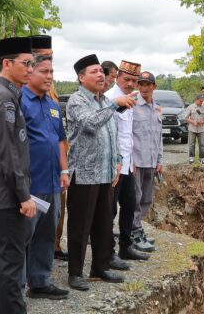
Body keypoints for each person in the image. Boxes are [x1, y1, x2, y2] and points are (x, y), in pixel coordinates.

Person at [0, 36, 55, 314]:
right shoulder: (4, 99)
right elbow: (8, 153)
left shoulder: (6, 95)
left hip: (2, 193)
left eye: (32, 63)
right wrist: (23, 194)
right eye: (26, 63)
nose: (30, 69)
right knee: (11, 262)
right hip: (8, 195)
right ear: (7, 64)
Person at [66, 54, 130, 291]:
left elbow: (112, 134)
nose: (100, 75)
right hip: (84, 174)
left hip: (106, 173)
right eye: (94, 72)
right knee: (80, 226)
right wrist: (116, 104)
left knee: (104, 223)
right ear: (81, 78)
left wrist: (118, 160)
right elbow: (90, 124)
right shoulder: (77, 101)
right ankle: (75, 273)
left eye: (101, 71)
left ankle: (100, 268)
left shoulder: (103, 101)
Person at [20, 53, 70, 299]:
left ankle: (40, 281)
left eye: (52, 72)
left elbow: (60, 139)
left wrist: (64, 169)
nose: (49, 76)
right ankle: (15, 288)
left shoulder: (52, 105)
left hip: (52, 180)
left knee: (47, 233)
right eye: (44, 71)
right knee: (23, 235)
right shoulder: (20, 100)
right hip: (29, 182)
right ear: (31, 72)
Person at [105, 60, 152, 260]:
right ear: (117, 78)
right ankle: (107, 252)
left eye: (135, 80)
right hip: (111, 166)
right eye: (127, 79)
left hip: (126, 164)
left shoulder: (131, 98)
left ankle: (126, 247)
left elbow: (127, 135)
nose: (131, 84)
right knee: (109, 210)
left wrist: (131, 161)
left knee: (130, 205)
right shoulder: (109, 98)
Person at [131, 71, 164, 250]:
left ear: (154, 87)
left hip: (151, 162)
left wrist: (160, 160)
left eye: (148, 84)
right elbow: (127, 134)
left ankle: (137, 229)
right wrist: (129, 160)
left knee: (146, 199)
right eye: (141, 84)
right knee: (135, 198)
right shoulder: (133, 106)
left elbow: (158, 138)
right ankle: (134, 233)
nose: (144, 88)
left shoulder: (157, 108)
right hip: (137, 161)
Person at [186, 93, 204, 165]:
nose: (201, 102)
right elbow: (186, 118)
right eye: (200, 101)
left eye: (202, 101)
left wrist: (202, 122)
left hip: (201, 129)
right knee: (191, 144)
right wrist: (193, 122)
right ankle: (191, 157)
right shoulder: (190, 107)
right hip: (192, 129)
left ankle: (202, 158)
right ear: (196, 99)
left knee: (202, 144)